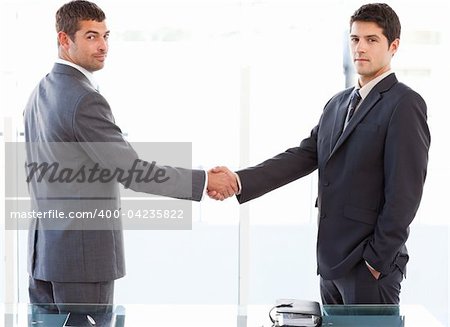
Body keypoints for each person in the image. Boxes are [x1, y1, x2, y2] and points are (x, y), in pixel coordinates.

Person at [210, 3, 430, 304]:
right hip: (330, 265)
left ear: (394, 46)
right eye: (354, 39)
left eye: (371, 39)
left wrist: (376, 261)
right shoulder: (337, 104)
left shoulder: (404, 104)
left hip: (369, 268)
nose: (360, 48)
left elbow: (405, 193)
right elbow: (302, 156)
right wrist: (239, 180)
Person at [24, 0, 237, 306]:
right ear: (64, 39)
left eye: (105, 36)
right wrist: (204, 182)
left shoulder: (41, 90)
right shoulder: (83, 99)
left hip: (43, 256)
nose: (103, 46)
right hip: (82, 262)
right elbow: (131, 171)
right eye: (91, 36)